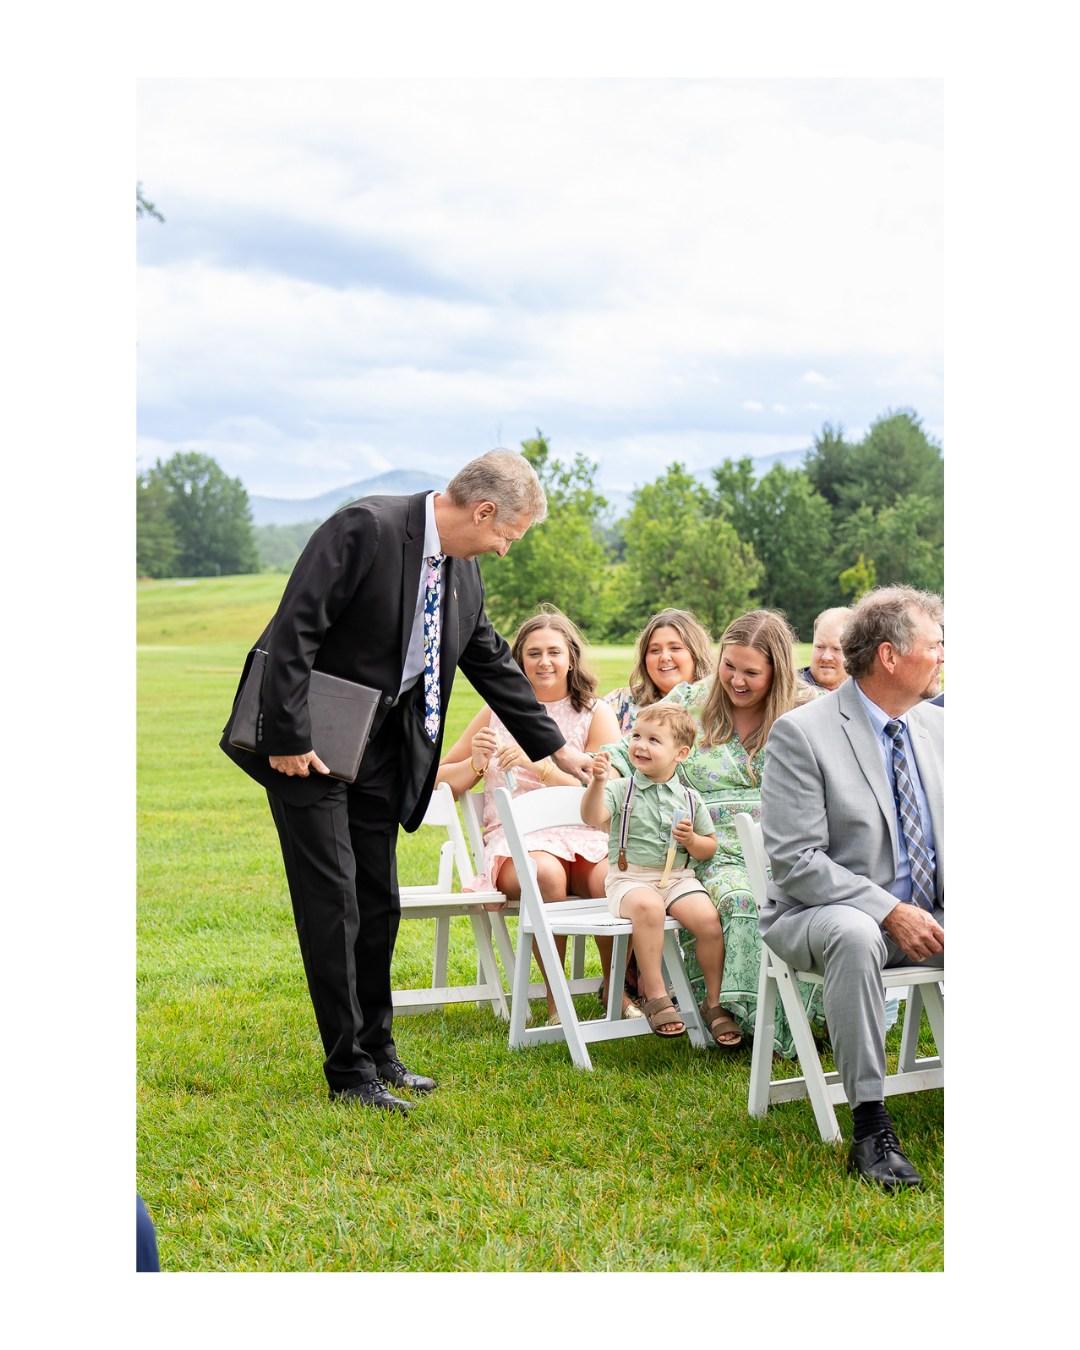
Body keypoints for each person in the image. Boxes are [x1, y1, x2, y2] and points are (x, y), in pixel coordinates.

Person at [220, 451, 593, 1112]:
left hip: (381, 756)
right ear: (482, 512)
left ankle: (379, 1049)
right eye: (509, 534)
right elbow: (296, 629)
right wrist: (286, 736)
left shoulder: (466, 573)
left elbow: (489, 662)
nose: (507, 549)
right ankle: (348, 1073)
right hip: (307, 747)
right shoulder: (364, 528)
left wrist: (556, 749)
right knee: (332, 900)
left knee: (377, 899)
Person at [758, 585, 944, 1189]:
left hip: (929, 912)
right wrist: (891, 909)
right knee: (857, 930)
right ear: (890, 656)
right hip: (821, 914)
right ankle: (871, 1128)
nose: (945, 658)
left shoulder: (939, 730)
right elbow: (795, 862)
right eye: (936, 646)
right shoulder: (803, 733)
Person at [603, 610, 822, 1055]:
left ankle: (805, 1015)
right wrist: (590, 766)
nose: (736, 680)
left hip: (789, 844)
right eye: (729, 666)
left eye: (751, 672)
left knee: (815, 905)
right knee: (740, 902)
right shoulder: (691, 701)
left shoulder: (805, 710)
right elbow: (634, 747)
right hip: (710, 847)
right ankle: (735, 1011)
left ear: (777, 672)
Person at [437, 607, 629, 1023]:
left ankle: (618, 993)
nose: (544, 662)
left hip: (581, 834)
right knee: (546, 874)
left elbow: (607, 790)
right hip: (517, 840)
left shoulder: (595, 713)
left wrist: (540, 766)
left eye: (554, 652)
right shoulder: (495, 712)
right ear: (517, 661)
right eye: (533, 653)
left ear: (572, 658)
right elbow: (438, 784)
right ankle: (555, 998)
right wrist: (474, 764)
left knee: (608, 878)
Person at [582, 703, 740, 1044]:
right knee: (649, 908)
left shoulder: (689, 798)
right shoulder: (619, 789)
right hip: (630, 879)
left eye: (654, 740)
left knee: (708, 920)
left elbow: (709, 847)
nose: (640, 744)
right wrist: (596, 783)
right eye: (636, 735)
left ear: (680, 753)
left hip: (678, 878)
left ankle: (713, 1002)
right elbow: (593, 816)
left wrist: (691, 840)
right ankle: (655, 994)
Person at [603, 608, 715, 734]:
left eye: (675, 648)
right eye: (655, 650)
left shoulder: (717, 705)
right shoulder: (620, 702)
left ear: (696, 654)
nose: (664, 657)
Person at [798, 606, 852, 691]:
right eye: (819, 647)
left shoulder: (868, 695)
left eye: (836, 649)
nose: (826, 657)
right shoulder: (789, 693)